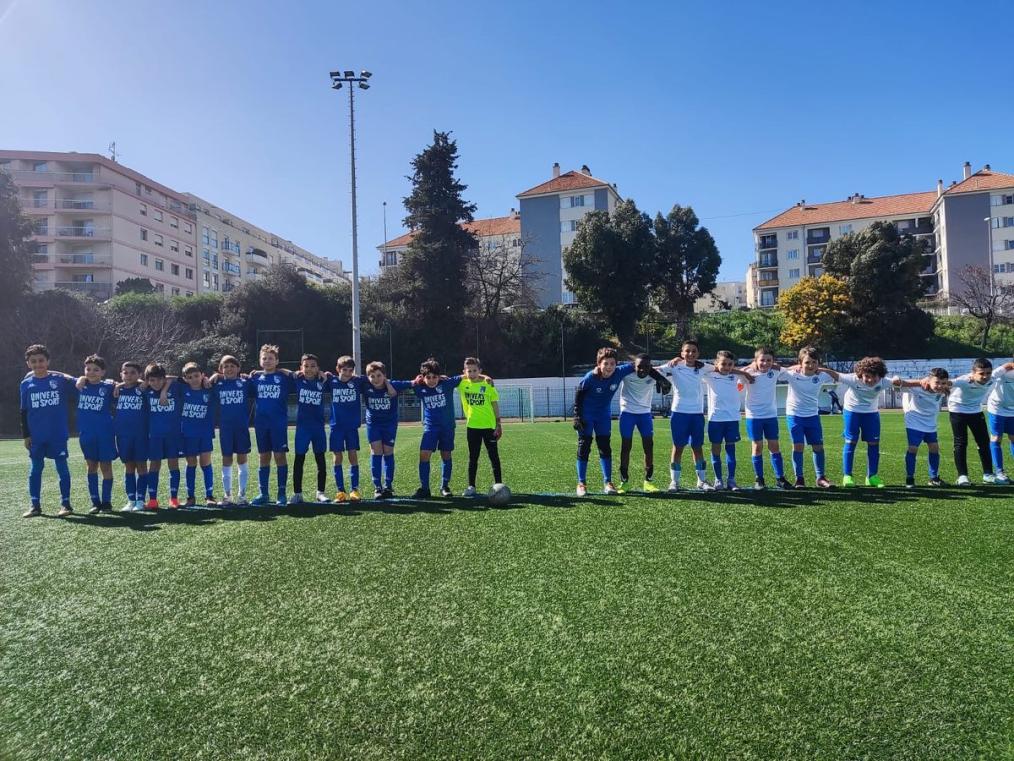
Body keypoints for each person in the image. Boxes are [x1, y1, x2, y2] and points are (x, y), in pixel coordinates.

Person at [665, 340, 753, 492]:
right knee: (678, 447)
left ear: (698, 353)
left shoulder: (706, 368)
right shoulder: (678, 366)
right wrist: (676, 359)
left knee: (698, 447)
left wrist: (744, 373)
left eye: (694, 351)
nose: (690, 354)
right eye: (687, 351)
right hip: (681, 413)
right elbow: (654, 369)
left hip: (699, 414)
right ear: (682, 352)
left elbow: (727, 368)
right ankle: (674, 481)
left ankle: (703, 481)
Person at [20, 344, 76, 517]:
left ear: (48, 361)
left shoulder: (59, 381)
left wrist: (63, 374)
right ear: (28, 364)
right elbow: (23, 411)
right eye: (33, 361)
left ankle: (66, 505)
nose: (38, 364)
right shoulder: (25, 384)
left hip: (57, 434)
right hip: (36, 436)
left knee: (62, 469)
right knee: (35, 470)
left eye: (41, 360)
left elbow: (81, 383)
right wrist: (26, 435)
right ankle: (35, 505)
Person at [573, 347, 636, 497]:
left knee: (605, 447)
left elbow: (640, 363)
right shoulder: (590, 377)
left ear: (616, 364)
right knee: (584, 446)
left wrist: (674, 363)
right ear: (599, 364)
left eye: (612, 364)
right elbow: (579, 393)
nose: (609, 367)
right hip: (587, 415)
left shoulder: (619, 372)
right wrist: (577, 416)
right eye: (605, 363)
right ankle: (581, 483)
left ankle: (608, 482)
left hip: (603, 416)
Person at [948, 358, 1014, 486]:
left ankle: (988, 474)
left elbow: (1007, 365)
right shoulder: (964, 380)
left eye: (988, 373)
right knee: (961, 442)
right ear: (973, 373)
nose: (985, 376)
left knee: (984, 442)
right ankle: (962, 476)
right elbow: (947, 383)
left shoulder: (993, 377)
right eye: (981, 373)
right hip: (957, 410)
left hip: (976, 410)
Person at [405, 358, 462, 499]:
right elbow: (412, 383)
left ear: (439, 376)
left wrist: (485, 377)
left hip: (447, 427)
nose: (431, 380)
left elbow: (466, 375)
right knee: (424, 454)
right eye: (428, 377)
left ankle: (445, 486)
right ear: (423, 377)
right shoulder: (419, 388)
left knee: (446, 455)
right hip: (430, 428)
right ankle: (425, 488)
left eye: (434, 377)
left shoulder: (447, 383)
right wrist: (417, 379)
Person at [782, 347, 838, 489]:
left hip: (812, 416)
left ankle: (820, 478)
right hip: (795, 415)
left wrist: (823, 369)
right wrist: (794, 367)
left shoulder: (821, 375)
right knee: (798, 446)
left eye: (814, 362)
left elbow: (837, 376)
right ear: (800, 363)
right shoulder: (792, 374)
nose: (811, 365)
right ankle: (799, 478)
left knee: (818, 446)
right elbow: (778, 370)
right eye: (807, 362)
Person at [616, 354, 672, 494]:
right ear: (634, 366)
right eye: (639, 366)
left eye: (646, 367)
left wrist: (666, 380)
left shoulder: (655, 375)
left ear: (650, 367)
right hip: (627, 413)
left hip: (645, 414)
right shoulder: (626, 374)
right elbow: (613, 371)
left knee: (648, 446)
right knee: (626, 446)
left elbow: (671, 368)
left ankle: (648, 482)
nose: (642, 369)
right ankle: (624, 482)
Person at [249, 344, 295, 506]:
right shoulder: (255, 378)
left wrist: (282, 370)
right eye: (264, 358)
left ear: (277, 361)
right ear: (260, 361)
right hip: (261, 424)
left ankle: (281, 493)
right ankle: (263, 494)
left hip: (278, 423)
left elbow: (298, 375)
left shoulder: (283, 378)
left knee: (280, 456)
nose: (267, 361)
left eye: (270, 358)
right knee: (263, 457)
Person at [838, 357, 893, 488]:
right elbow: (833, 374)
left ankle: (872, 477)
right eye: (867, 376)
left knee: (873, 443)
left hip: (871, 413)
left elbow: (906, 383)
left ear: (880, 375)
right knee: (851, 442)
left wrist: (924, 381)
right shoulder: (852, 379)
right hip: (852, 411)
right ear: (860, 374)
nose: (870, 380)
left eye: (875, 377)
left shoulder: (885, 382)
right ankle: (847, 476)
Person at [743, 347, 792, 491]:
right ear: (756, 360)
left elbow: (793, 369)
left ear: (773, 361)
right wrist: (749, 367)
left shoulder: (775, 371)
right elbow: (736, 376)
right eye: (762, 360)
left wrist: (777, 366)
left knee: (774, 446)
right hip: (754, 416)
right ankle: (759, 479)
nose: (765, 363)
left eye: (769, 360)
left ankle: (780, 478)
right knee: (757, 447)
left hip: (770, 415)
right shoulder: (748, 372)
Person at [74, 354, 117, 514]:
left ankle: (106, 502)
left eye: (96, 370)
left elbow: (133, 382)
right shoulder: (80, 385)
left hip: (105, 434)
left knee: (106, 466)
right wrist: (80, 377)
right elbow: (59, 375)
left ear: (103, 372)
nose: (91, 372)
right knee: (91, 466)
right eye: (88, 369)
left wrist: (117, 384)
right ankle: (95, 502)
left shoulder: (108, 387)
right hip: (87, 434)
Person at [701, 351, 749, 491]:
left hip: (732, 419)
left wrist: (741, 372)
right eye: (723, 364)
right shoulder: (710, 375)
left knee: (731, 451)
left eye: (730, 364)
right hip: (716, 419)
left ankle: (731, 480)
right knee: (716, 450)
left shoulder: (737, 376)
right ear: (716, 363)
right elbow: (698, 367)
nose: (727, 367)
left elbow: (749, 373)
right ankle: (718, 479)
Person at [361, 361, 410, 499]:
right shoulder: (364, 385)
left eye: (379, 375)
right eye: (372, 376)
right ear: (368, 377)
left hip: (389, 425)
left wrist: (388, 384)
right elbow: (346, 380)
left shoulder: (394, 385)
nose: (375, 379)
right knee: (376, 452)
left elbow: (414, 382)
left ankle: (388, 485)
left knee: (388, 452)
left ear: (384, 375)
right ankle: (377, 486)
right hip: (373, 425)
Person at [896, 368, 950, 488]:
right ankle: (910, 478)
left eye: (943, 383)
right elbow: (897, 383)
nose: (940, 386)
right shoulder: (918, 388)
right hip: (914, 421)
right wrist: (919, 381)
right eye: (937, 382)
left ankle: (933, 478)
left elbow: (956, 383)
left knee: (934, 448)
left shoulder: (944, 389)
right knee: (913, 448)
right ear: (929, 380)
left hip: (930, 423)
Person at [458, 357, 503, 497]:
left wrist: (498, 424)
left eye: (474, 370)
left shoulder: (488, 384)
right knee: (473, 457)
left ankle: (499, 485)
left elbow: (494, 403)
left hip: (489, 426)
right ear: (464, 372)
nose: (472, 373)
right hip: (472, 427)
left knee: (494, 457)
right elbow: (446, 379)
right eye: (469, 371)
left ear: (480, 371)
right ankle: (471, 486)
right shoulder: (462, 383)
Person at [209, 355, 251, 506]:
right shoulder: (217, 384)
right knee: (226, 459)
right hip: (225, 429)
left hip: (241, 428)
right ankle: (228, 495)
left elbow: (259, 377)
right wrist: (214, 377)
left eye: (232, 366)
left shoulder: (245, 383)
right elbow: (202, 383)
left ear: (238, 368)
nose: (229, 369)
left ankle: (242, 495)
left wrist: (251, 374)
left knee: (242, 459)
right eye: (225, 366)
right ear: (221, 369)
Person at [326, 355, 367, 503]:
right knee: (337, 458)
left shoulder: (357, 381)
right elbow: (315, 375)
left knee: (352, 456)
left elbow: (376, 377)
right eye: (344, 370)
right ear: (338, 369)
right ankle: (340, 491)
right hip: (336, 427)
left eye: (350, 370)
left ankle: (354, 490)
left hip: (351, 427)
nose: (348, 373)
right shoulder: (331, 381)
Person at [291, 353, 330, 504]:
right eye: (306, 366)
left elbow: (339, 376)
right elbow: (279, 371)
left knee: (320, 459)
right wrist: (258, 371)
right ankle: (297, 493)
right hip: (302, 428)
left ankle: (320, 492)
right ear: (301, 367)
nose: (309, 369)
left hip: (318, 427)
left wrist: (326, 374)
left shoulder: (323, 380)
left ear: (318, 368)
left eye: (313, 366)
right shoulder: (297, 379)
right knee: (299, 460)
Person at [144, 363, 183, 509]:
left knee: (173, 464)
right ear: (148, 381)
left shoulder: (174, 387)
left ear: (164, 379)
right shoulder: (145, 390)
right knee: (154, 465)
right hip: (154, 436)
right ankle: (153, 500)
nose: (156, 383)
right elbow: (131, 382)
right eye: (152, 380)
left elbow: (179, 378)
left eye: (159, 379)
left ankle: (174, 499)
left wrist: (164, 390)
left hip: (173, 435)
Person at [178, 362, 217, 507]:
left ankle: (209, 496)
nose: (194, 379)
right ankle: (190, 497)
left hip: (205, 433)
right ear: (185, 379)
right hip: (187, 434)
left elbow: (221, 376)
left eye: (196, 375)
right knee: (191, 464)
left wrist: (210, 378)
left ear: (202, 375)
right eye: (189, 377)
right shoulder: (182, 390)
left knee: (205, 463)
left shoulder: (209, 390)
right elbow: (167, 378)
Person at [114, 361, 149, 513]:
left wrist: (142, 382)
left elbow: (163, 378)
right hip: (123, 435)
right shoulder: (116, 389)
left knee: (141, 466)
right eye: (125, 372)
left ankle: (140, 500)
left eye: (133, 372)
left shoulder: (143, 388)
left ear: (139, 374)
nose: (128, 375)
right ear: (121, 374)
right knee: (128, 467)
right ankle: (131, 500)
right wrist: (119, 385)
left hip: (140, 434)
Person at [985, 357, 1014, 484]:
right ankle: (999, 472)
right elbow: (989, 377)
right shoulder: (1005, 372)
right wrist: (1005, 366)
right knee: (996, 438)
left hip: (1013, 410)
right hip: (997, 408)